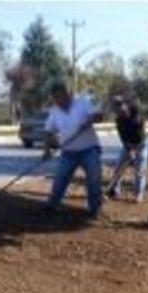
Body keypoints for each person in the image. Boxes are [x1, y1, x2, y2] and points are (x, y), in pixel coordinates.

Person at [42, 81, 104, 218]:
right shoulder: (55, 111)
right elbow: (48, 131)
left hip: (89, 149)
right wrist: (46, 150)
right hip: (68, 151)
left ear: (67, 94)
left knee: (94, 179)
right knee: (60, 179)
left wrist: (91, 119)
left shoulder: (82, 103)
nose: (59, 101)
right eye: (55, 98)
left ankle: (95, 209)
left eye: (61, 96)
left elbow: (100, 117)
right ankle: (53, 204)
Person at [107, 96, 148, 203]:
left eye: (118, 109)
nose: (118, 112)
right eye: (115, 111)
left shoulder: (137, 109)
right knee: (118, 168)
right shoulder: (119, 121)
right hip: (128, 146)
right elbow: (123, 138)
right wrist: (130, 150)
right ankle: (114, 191)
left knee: (140, 171)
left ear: (123, 105)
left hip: (141, 145)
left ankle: (138, 194)